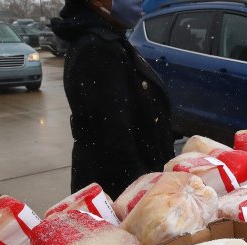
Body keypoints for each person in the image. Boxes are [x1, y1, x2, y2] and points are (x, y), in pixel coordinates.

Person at [51, 0, 175, 199]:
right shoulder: (96, 48)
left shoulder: (110, 39)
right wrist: (144, 195)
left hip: (128, 185)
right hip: (118, 192)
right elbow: (116, 140)